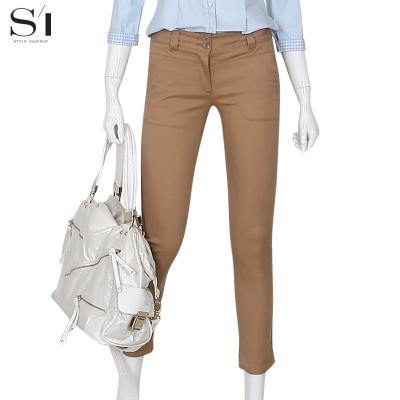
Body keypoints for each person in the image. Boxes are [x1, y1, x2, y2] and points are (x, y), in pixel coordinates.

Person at [103, 1, 319, 399]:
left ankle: (255, 390)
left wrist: (305, 97)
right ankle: (130, 367)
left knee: (252, 239)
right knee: (158, 239)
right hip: (174, 56)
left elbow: (285, 5)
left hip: (250, 56)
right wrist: (110, 89)